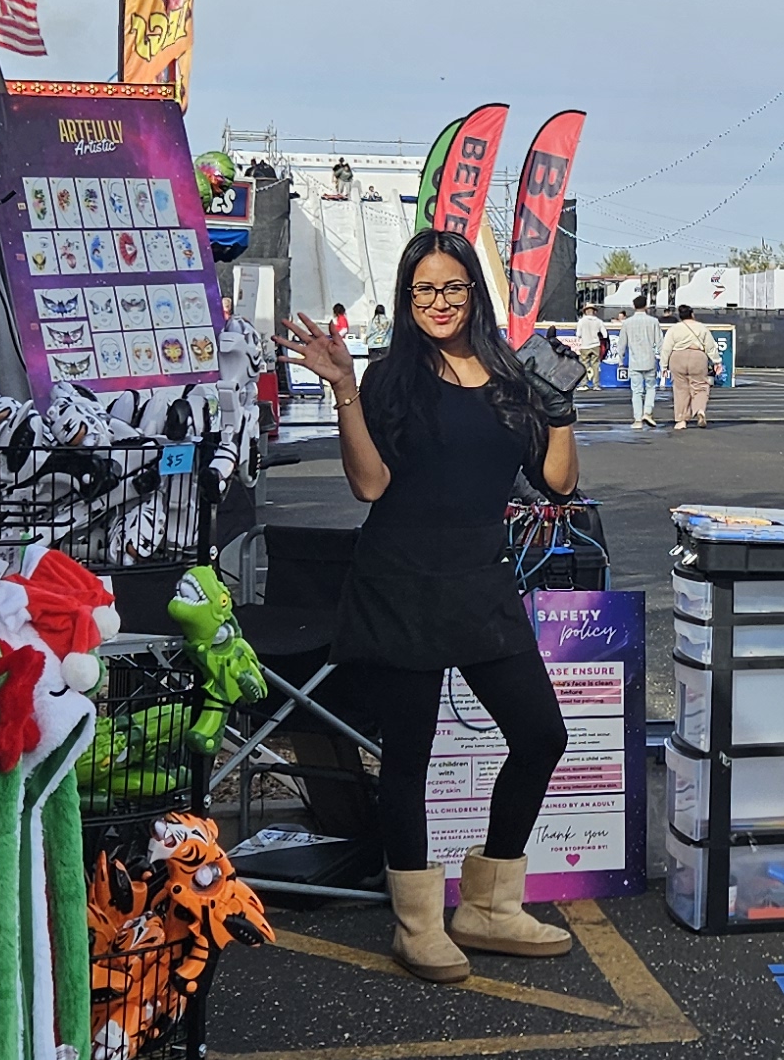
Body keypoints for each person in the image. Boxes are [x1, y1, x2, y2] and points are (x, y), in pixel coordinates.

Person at [279, 233, 578, 983]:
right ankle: (417, 923)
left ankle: (488, 905)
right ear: (408, 301)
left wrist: (563, 408)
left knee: (541, 735)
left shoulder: (510, 376)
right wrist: (347, 390)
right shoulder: (392, 376)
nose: (439, 304)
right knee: (410, 758)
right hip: (400, 578)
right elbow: (369, 485)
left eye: (451, 289)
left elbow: (559, 486)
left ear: (473, 293)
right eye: (423, 291)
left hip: (480, 579)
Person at [664, 311, 717, 429]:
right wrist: (717, 361)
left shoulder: (674, 329)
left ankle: (681, 420)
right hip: (698, 356)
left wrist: (663, 365)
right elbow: (710, 346)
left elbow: (666, 348)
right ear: (692, 314)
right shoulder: (702, 327)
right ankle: (699, 410)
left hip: (677, 357)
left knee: (680, 389)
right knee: (701, 386)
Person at [619, 290, 664, 429]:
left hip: (634, 361)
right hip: (649, 360)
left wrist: (621, 361)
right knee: (651, 387)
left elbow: (622, 344)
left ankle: (637, 419)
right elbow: (660, 342)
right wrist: (663, 360)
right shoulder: (653, 321)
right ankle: (648, 411)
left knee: (636, 391)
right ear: (646, 306)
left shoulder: (627, 323)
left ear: (633, 306)